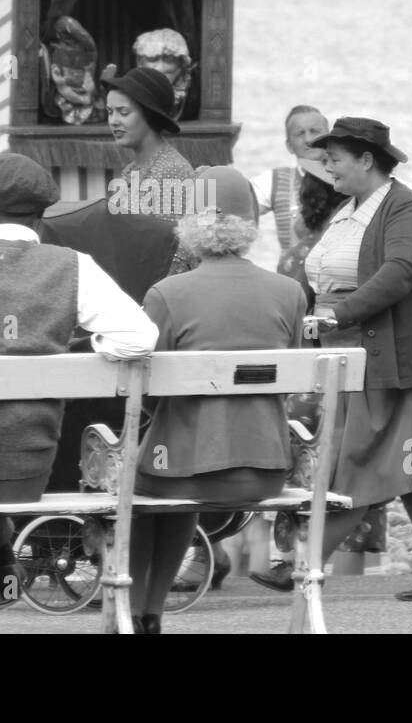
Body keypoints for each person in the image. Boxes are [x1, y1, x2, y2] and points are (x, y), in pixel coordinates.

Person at [0, 152, 158, 633]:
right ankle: (0, 550)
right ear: (42, 214)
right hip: (31, 459)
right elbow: (140, 338)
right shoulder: (73, 267)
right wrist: (72, 345)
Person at [252, 116, 412, 600]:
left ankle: (304, 564)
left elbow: (401, 272)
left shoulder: (406, 208)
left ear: (367, 160)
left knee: (362, 463)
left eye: (335, 159)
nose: (327, 168)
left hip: (396, 359)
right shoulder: (352, 208)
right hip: (359, 357)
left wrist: (336, 315)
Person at [130, 166, 306, 632]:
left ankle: (143, 612)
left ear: (190, 224)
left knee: (150, 487)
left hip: (184, 475)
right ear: (250, 224)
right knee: (170, 490)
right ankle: (147, 612)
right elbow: (289, 380)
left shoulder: (167, 294)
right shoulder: (288, 292)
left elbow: (147, 391)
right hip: (265, 472)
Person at [103, 66, 196, 219]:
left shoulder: (171, 172)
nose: (113, 121)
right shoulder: (131, 169)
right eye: (110, 112)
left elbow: (168, 239)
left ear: (149, 114)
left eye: (123, 112)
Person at [252, 105, 332, 268]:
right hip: (293, 282)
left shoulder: (351, 179)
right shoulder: (274, 180)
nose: (309, 139)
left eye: (315, 131)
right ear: (289, 145)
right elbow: (233, 204)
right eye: (300, 133)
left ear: (330, 138)